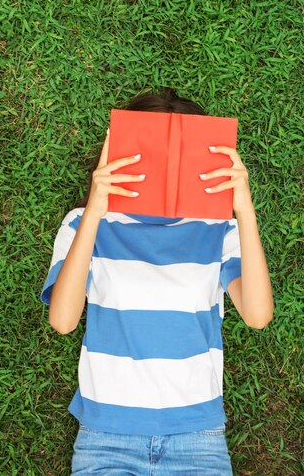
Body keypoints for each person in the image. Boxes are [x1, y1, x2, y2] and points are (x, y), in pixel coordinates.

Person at [40, 86, 274, 475]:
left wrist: (243, 208)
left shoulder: (219, 230)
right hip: (106, 439)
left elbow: (258, 315)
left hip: (197, 439)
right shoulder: (84, 224)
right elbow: (63, 321)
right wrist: (96, 208)